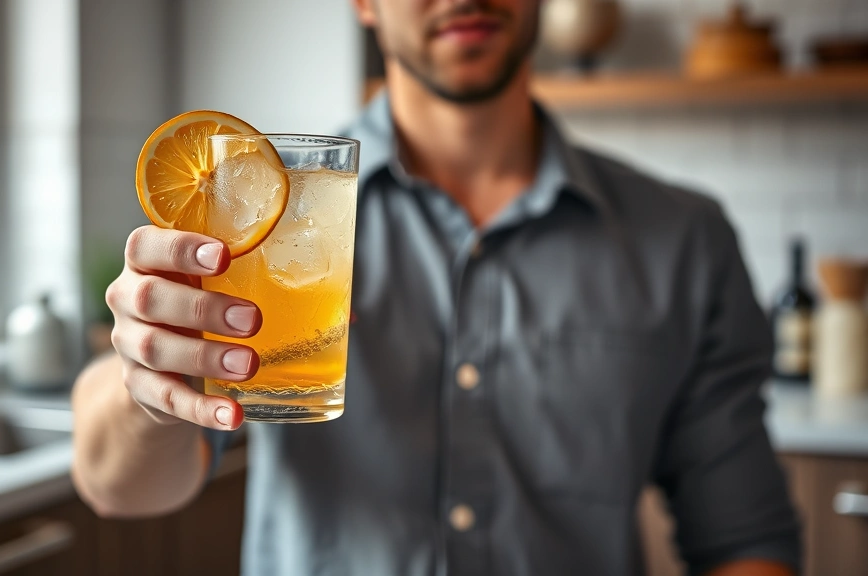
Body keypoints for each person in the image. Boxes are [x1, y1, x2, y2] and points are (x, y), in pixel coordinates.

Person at [71, 1, 801, 574]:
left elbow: (744, 536)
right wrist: (149, 391)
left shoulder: (684, 240)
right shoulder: (266, 215)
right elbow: (117, 486)